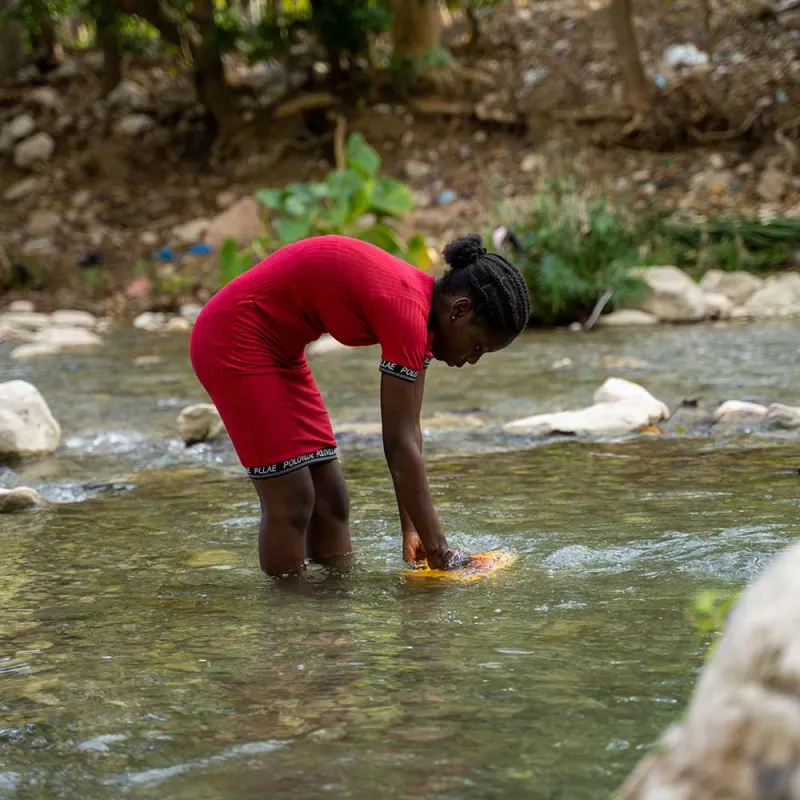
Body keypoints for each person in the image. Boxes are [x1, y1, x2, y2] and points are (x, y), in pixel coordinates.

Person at [189, 233, 530, 577]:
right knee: (292, 500)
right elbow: (397, 443)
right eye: (476, 347)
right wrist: (442, 552)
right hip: (233, 337)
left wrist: (412, 530)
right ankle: (289, 619)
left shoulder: (424, 321)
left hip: (282, 353)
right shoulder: (408, 311)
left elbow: (411, 430)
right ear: (459, 310)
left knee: (331, 501)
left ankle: (333, 617)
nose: (470, 361)